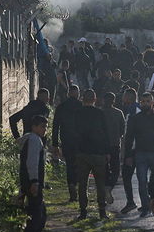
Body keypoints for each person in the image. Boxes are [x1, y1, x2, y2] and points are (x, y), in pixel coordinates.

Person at [123, 91, 154, 217]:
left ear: (153, 102)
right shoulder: (135, 119)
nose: (145, 104)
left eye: (148, 101)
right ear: (140, 102)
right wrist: (128, 155)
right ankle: (145, 207)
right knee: (142, 181)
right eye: (143, 102)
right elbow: (129, 137)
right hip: (141, 154)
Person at [71, 89, 112, 220]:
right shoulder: (100, 113)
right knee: (100, 183)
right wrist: (107, 151)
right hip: (98, 153)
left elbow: (73, 132)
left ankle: (83, 211)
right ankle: (102, 211)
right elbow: (106, 133)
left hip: (82, 152)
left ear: (82, 99)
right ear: (95, 99)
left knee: (82, 184)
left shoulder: (77, 113)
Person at [19, 116, 48, 232]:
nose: (44, 129)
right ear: (34, 127)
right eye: (42, 126)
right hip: (32, 183)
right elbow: (32, 162)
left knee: (37, 212)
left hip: (28, 182)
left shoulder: (30, 139)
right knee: (38, 215)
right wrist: (35, 182)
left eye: (46, 127)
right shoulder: (35, 140)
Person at [51, 85, 83, 201]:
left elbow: (55, 126)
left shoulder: (61, 107)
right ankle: (78, 187)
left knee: (69, 164)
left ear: (69, 93)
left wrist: (55, 144)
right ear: (77, 94)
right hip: (80, 141)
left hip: (66, 140)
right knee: (79, 165)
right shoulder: (81, 107)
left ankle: (71, 186)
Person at [117, 89, 142, 212]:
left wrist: (129, 153)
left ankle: (131, 201)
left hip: (134, 149)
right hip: (137, 148)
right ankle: (146, 201)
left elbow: (133, 132)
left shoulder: (133, 110)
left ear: (129, 97)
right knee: (141, 177)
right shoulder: (133, 108)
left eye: (124, 96)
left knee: (128, 176)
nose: (122, 98)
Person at [102, 92, 126, 206]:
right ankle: (109, 189)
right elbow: (122, 130)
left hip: (101, 146)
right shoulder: (118, 113)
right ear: (114, 101)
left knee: (104, 170)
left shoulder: (99, 113)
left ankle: (105, 189)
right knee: (116, 170)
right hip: (115, 145)